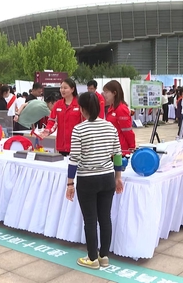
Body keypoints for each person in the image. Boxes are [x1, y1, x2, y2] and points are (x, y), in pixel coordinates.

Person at [66, 91, 124, 270]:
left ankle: (92, 258)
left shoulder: (79, 129)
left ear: (82, 109)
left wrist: (70, 183)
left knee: (90, 220)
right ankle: (104, 256)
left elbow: (74, 158)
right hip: (107, 178)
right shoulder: (109, 127)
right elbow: (118, 155)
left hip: (87, 180)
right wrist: (118, 177)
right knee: (105, 218)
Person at [40, 78, 83, 156]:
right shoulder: (58, 104)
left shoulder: (80, 104)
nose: (62, 90)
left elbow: (84, 123)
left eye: (65, 88)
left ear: (72, 89)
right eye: (61, 87)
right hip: (62, 146)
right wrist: (47, 130)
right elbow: (52, 121)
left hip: (76, 146)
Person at [103, 80, 136, 155]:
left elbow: (127, 131)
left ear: (114, 93)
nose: (104, 95)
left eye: (107, 92)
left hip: (122, 149)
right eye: (104, 92)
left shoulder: (121, 109)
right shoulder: (111, 107)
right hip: (113, 146)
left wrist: (131, 148)